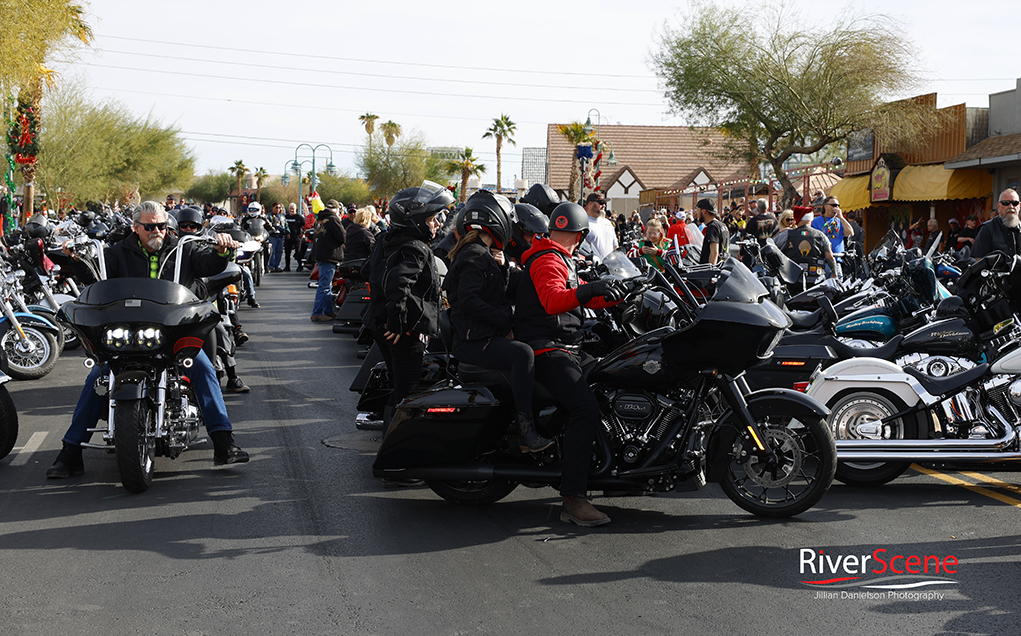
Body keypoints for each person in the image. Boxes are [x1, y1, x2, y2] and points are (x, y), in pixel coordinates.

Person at [47, 201, 249, 479]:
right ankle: (70, 452)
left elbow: (209, 264)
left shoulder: (183, 248)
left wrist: (221, 251)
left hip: (173, 334)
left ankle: (224, 442)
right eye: (150, 226)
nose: (158, 231)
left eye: (162, 226)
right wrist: (76, 258)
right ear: (136, 227)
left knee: (203, 368)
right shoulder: (118, 252)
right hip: (127, 332)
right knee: (98, 378)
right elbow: (94, 277)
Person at [514, 201, 628, 527]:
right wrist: (591, 289)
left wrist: (621, 291)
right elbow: (553, 301)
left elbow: (578, 295)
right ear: (579, 235)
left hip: (567, 346)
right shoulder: (548, 259)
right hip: (547, 350)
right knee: (585, 409)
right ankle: (574, 498)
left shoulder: (559, 255)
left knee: (612, 379)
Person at [443, 190, 553, 453]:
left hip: (478, 335)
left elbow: (492, 292)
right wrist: (504, 323)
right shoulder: (474, 254)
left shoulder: (480, 252)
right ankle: (526, 430)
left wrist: (503, 268)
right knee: (523, 354)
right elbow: (469, 301)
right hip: (474, 340)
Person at [362, 182, 453, 439]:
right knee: (409, 393)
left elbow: (367, 271)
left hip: (377, 323)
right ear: (415, 221)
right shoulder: (416, 248)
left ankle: (391, 442)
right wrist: (398, 324)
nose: (436, 224)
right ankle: (398, 459)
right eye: (432, 219)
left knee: (400, 387)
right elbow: (398, 285)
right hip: (402, 331)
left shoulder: (386, 239)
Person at [177, 206, 250, 393]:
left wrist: (223, 251)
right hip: (175, 304)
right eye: (183, 226)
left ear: (200, 226)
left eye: (192, 226)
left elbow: (215, 261)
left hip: (203, 299)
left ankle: (232, 376)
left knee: (218, 328)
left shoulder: (207, 243)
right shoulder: (172, 248)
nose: (187, 229)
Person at [310, 200, 346, 322]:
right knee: (324, 286)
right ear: (336, 210)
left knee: (327, 285)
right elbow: (342, 237)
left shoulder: (320, 219)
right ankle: (317, 312)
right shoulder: (333, 219)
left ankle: (328, 311)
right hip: (329, 255)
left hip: (320, 255)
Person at [781, 209, 838, 281]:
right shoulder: (820, 235)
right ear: (811, 220)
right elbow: (830, 256)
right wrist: (834, 275)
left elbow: (772, 247)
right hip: (816, 278)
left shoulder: (786, 234)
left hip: (792, 278)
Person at [811, 196, 853, 278]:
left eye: (838, 205)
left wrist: (841, 217)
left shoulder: (839, 221)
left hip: (836, 260)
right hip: (823, 260)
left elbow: (850, 233)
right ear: (825, 206)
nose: (836, 207)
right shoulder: (816, 221)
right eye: (833, 205)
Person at [972, 189, 1021, 259]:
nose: (1011, 206)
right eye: (1005, 203)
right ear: (998, 206)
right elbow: (978, 261)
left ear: (1019, 206)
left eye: (1015, 203)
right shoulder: (987, 229)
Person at [582, 192, 618, 259]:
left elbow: (615, 246)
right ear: (590, 204)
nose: (604, 205)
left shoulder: (608, 223)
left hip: (610, 266)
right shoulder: (583, 223)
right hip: (593, 267)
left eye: (605, 203)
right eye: (601, 203)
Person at [696, 199, 729, 265]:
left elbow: (714, 253)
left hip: (714, 270)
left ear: (704, 211)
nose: (697, 214)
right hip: (723, 267)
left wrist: (710, 271)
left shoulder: (712, 227)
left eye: (698, 210)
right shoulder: (722, 225)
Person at [283, 202, 305, 271]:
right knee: (287, 253)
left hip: (297, 237)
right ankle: (287, 267)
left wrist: (303, 233)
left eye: (293, 209)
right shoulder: (286, 217)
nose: (292, 210)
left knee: (298, 252)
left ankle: (300, 266)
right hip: (288, 238)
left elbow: (305, 225)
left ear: (296, 209)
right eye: (290, 209)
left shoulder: (299, 217)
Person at [267, 202, 288, 272]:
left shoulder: (282, 216)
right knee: (272, 251)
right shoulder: (269, 216)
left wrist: (288, 232)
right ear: (273, 207)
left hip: (280, 236)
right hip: (273, 236)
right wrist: (274, 224)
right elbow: (267, 225)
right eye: (276, 207)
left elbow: (286, 225)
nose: (278, 209)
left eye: (279, 208)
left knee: (279, 252)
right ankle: (271, 266)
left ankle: (277, 266)